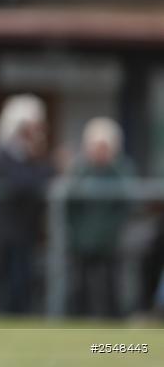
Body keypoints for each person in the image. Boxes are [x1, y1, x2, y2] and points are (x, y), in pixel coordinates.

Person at [0, 94, 53, 314]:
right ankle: (7, 313)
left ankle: (21, 312)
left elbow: (44, 177)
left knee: (24, 274)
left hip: (26, 226)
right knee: (8, 275)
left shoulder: (32, 153)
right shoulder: (2, 151)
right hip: (7, 226)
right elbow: (22, 184)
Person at [66, 117, 133, 318]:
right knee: (80, 283)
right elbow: (70, 206)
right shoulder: (80, 170)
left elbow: (127, 206)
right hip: (82, 240)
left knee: (112, 283)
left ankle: (113, 318)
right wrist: (77, 232)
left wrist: (113, 230)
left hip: (111, 240)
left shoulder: (121, 170)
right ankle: (78, 318)